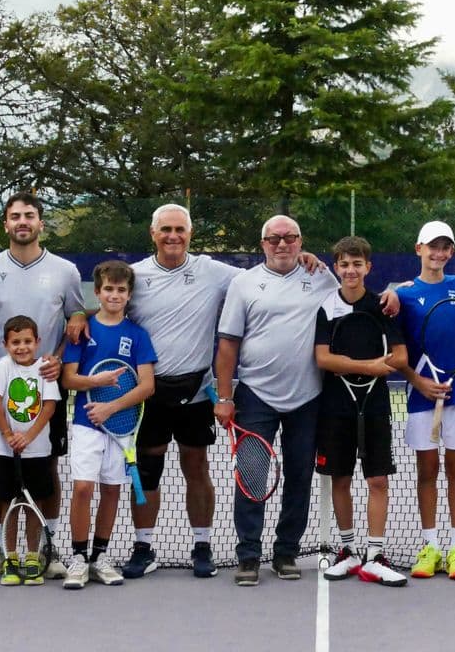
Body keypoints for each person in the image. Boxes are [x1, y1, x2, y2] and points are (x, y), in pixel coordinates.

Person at [123, 204, 323, 579]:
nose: (172, 236)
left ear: (190, 233)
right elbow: (106, 299)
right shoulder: (133, 277)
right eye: (165, 229)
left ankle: (209, 547)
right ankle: (145, 547)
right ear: (152, 233)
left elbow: (273, 272)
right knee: (149, 471)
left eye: (180, 229)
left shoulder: (216, 272)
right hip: (150, 393)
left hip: (196, 393)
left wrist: (302, 257)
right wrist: (82, 317)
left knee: (197, 468)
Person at [214, 215, 337, 586]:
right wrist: (224, 396)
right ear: (262, 243)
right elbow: (228, 345)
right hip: (254, 396)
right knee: (252, 478)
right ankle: (248, 555)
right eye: (273, 238)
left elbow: (354, 296)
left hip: (308, 397)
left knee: (300, 477)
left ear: (300, 241)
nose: (282, 244)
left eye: (290, 238)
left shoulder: (322, 278)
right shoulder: (244, 283)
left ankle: (286, 553)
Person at [0, 192, 87, 580]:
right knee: (1, 471)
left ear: (40, 223)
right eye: (15, 216)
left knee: (46, 467)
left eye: (30, 215)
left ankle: (48, 547)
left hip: (47, 383)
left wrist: (56, 355)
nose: (23, 221)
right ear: (5, 224)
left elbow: (77, 318)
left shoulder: (66, 270)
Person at [316, 236, 409, 587]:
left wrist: (360, 367)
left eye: (357, 264)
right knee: (339, 478)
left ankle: (374, 556)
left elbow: (400, 358)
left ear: (368, 267)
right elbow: (322, 358)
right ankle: (349, 551)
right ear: (336, 267)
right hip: (335, 405)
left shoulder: (383, 307)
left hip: (375, 405)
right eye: (344, 264)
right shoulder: (326, 308)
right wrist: (370, 365)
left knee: (378, 480)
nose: (350, 270)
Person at [60, 260, 157, 589]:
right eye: (108, 289)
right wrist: (95, 381)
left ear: (129, 295)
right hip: (86, 424)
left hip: (122, 428)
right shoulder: (81, 329)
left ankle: (100, 555)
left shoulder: (137, 335)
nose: (114, 295)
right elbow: (69, 378)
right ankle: (78, 557)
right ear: (97, 292)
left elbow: (147, 386)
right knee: (83, 487)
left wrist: (112, 408)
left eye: (121, 290)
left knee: (112, 490)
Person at [394, 221, 455, 581]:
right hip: (419, 397)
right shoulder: (403, 294)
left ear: (451, 252)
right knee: (426, 472)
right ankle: (429, 546)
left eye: (445, 247)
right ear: (418, 249)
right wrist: (418, 382)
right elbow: (396, 353)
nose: (438, 253)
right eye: (432, 246)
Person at [0, 315, 60, 586]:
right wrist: (8, 435)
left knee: (34, 504)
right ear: (5, 344)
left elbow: (49, 407)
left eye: (27, 341)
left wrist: (28, 437)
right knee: (9, 505)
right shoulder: (4, 366)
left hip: (37, 451)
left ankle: (31, 557)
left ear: (37, 342)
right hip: (6, 452)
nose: (22, 347)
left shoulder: (45, 369)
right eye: (15, 342)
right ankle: (10, 558)